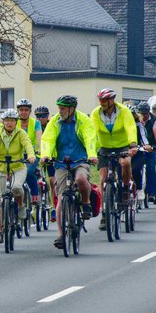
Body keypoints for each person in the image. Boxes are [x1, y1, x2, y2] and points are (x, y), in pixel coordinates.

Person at [40, 95, 97, 248]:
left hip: (80, 160)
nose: (60, 111)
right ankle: (60, 234)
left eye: (63, 108)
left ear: (72, 109)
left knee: (81, 179)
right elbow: (48, 139)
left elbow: (90, 137)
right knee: (61, 198)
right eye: (59, 108)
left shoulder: (83, 120)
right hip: (61, 163)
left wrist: (92, 155)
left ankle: (86, 202)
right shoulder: (55, 121)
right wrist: (45, 154)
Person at [0, 109, 36, 244]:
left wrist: (30, 155)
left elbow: (28, 145)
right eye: (7, 121)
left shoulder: (21, 133)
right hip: (1, 168)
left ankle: (20, 205)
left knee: (17, 188)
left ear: (16, 122)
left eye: (12, 120)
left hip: (18, 167)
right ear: (3, 122)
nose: (10, 123)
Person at [91, 88, 138, 231]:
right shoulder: (96, 113)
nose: (102, 103)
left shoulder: (123, 111)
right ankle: (105, 213)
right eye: (101, 100)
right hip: (104, 147)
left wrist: (133, 144)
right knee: (103, 178)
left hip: (122, 146)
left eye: (105, 100)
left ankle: (124, 189)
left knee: (125, 163)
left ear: (112, 100)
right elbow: (92, 132)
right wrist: (92, 151)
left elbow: (130, 127)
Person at [15, 99, 45, 211]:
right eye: (21, 110)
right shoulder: (14, 122)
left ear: (30, 111)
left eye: (26, 110)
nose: (23, 112)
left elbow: (39, 138)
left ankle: (34, 193)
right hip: (17, 155)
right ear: (18, 111)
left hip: (32, 155)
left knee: (27, 171)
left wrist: (41, 151)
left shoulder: (35, 123)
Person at [132, 103, 156, 203]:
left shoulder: (154, 119)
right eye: (141, 113)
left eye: (145, 114)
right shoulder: (134, 120)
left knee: (150, 168)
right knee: (134, 168)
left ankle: (151, 193)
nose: (143, 116)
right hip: (137, 146)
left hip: (150, 145)